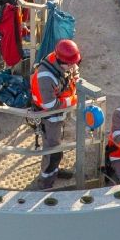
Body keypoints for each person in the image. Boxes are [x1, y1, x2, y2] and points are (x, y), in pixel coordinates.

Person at [30, 38, 81, 190]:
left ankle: (55, 171)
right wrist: (74, 100)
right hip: (50, 117)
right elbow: (50, 105)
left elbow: (74, 71)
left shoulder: (64, 61)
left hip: (60, 115)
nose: (73, 66)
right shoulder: (46, 77)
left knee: (58, 145)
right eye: (70, 64)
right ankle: (46, 182)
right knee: (52, 151)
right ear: (60, 61)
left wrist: (76, 78)